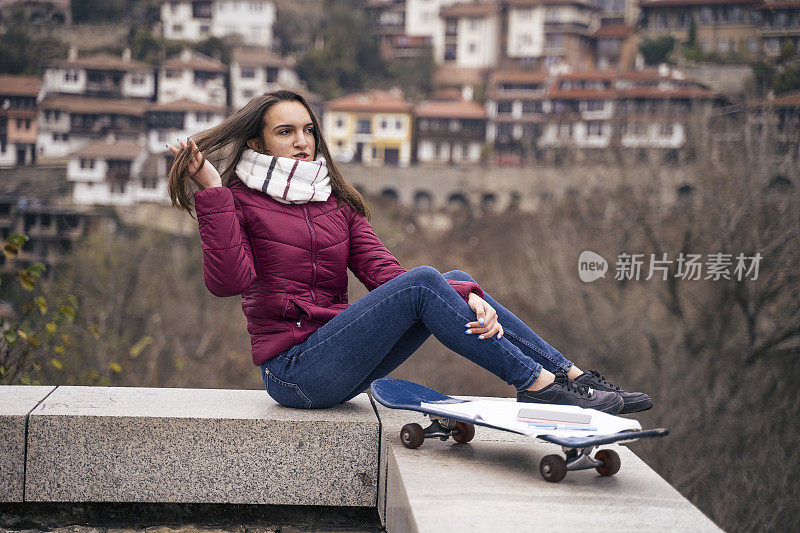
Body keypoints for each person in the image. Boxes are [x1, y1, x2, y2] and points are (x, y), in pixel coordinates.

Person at [167, 89, 652, 414]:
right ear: (257, 141)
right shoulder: (238, 203)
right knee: (428, 281)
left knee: (449, 275)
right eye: (285, 131)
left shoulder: (334, 203)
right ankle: (540, 387)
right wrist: (211, 191)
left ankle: (571, 377)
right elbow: (227, 283)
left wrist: (468, 293)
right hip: (294, 371)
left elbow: (388, 279)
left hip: (341, 356)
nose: (302, 142)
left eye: (308, 130)